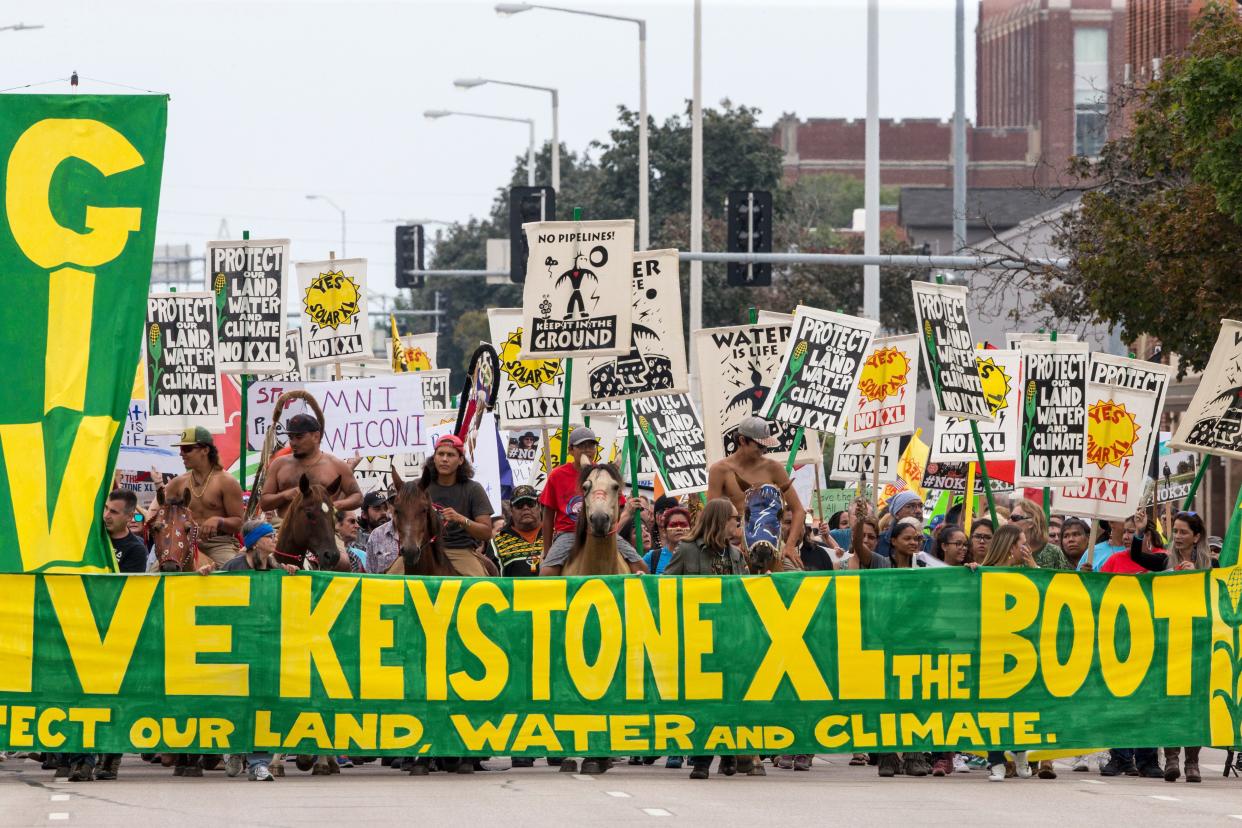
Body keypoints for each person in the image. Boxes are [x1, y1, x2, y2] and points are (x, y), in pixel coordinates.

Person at [664, 499, 749, 779]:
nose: (738, 523)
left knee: (729, 700)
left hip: (730, 640)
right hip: (697, 639)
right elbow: (665, 589)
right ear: (720, 520)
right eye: (734, 518)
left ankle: (727, 754)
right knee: (704, 702)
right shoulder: (686, 550)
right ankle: (701, 761)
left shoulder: (736, 555)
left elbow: (745, 594)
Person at [1124, 506, 1207, 784]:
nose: (1178, 536)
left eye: (1184, 532)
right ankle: (1171, 757)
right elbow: (1137, 556)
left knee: (1195, 703)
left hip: (1199, 643)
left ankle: (1192, 761)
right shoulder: (1164, 561)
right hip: (1168, 642)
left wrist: (1198, 576)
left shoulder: (1212, 564)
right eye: (1176, 531)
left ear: (1197, 537)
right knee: (1170, 701)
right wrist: (1139, 530)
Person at [539, 427, 646, 575]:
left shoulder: (605, 474)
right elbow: (548, 516)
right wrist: (547, 549)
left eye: (591, 446)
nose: (587, 450)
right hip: (568, 533)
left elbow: (618, 508)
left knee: (642, 567)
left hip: (605, 531)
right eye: (582, 446)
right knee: (547, 572)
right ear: (570, 450)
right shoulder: (557, 475)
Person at [706, 415, 806, 568]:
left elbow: (798, 510)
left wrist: (790, 545)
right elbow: (712, 514)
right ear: (742, 441)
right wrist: (736, 534)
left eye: (766, 446)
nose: (764, 450)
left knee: (796, 581)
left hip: (772, 543)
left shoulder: (774, 468)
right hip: (735, 544)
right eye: (760, 446)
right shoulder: (720, 470)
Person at [978, 523, 1037, 782]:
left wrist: (1034, 568)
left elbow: (1048, 591)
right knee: (994, 706)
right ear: (1011, 546)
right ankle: (995, 760)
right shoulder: (983, 572)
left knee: (1020, 704)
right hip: (990, 650)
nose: (1026, 547)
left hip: (1020, 651)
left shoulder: (1027, 574)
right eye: (1022, 542)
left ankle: (1021, 752)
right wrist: (971, 573)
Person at [160, 427, 245, 566]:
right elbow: (164, 517)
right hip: (182, 543)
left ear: (205, 450)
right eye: (180, 449)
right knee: (152, 574)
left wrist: (218, 521)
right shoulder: (177, 483)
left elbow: (239, 523)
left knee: (231, 572)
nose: (182, 454)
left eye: (187, 449)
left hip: (218, 544)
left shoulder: (227, 482)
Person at [419, 434, 496, 577]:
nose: (444, 459)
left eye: (450, 455)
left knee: (482, 586)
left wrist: (461, 519)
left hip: (459, 551)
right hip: (423, 550)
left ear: (460, 460)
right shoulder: (420, 486)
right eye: (440, 454)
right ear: (434, 458)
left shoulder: (473, 489)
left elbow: (486, 533)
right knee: (390, 580)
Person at [259, 413, 363, 519]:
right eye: (291, 437)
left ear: (316, 436)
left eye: (299, 437)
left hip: (323, 530)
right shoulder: (278, 464)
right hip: (284, 530)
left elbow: (357, 497)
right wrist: (285, 495)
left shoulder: (336, 465)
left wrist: (333, 506)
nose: (293, 442)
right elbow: (264, 503)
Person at [493, 485, 544, 578]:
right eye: (519, 505)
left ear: (539, 506)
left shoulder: (554, 534)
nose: (525, 508)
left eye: (530, 503)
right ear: (511, 510)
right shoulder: (497, 542)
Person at [1008, 498, 1070, 569]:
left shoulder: (1054, 553)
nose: (1009, 522)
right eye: (1009, 518)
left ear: (1032, 522)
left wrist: (1035, 567)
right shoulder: (1007, 550)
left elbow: (1065, 579)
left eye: (1014, 518)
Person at [104, 490, 147, 574]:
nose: (106, 515)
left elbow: (123, 586)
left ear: (129, 516)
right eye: (106, 508)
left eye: (113, 512)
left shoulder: (136, 550)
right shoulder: (95, 534)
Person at [875, 491, 924, 559]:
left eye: (921, 506)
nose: (919, 511)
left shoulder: (929, 541)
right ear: (897, 514)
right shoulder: (879, 541)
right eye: (910, 506)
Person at [643, 507, 692, 574]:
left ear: (691, 530)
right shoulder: (652, 557)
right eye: (673, 525)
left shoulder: (698, 556)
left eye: (683, 525)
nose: (679, 528)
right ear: (664, 531)